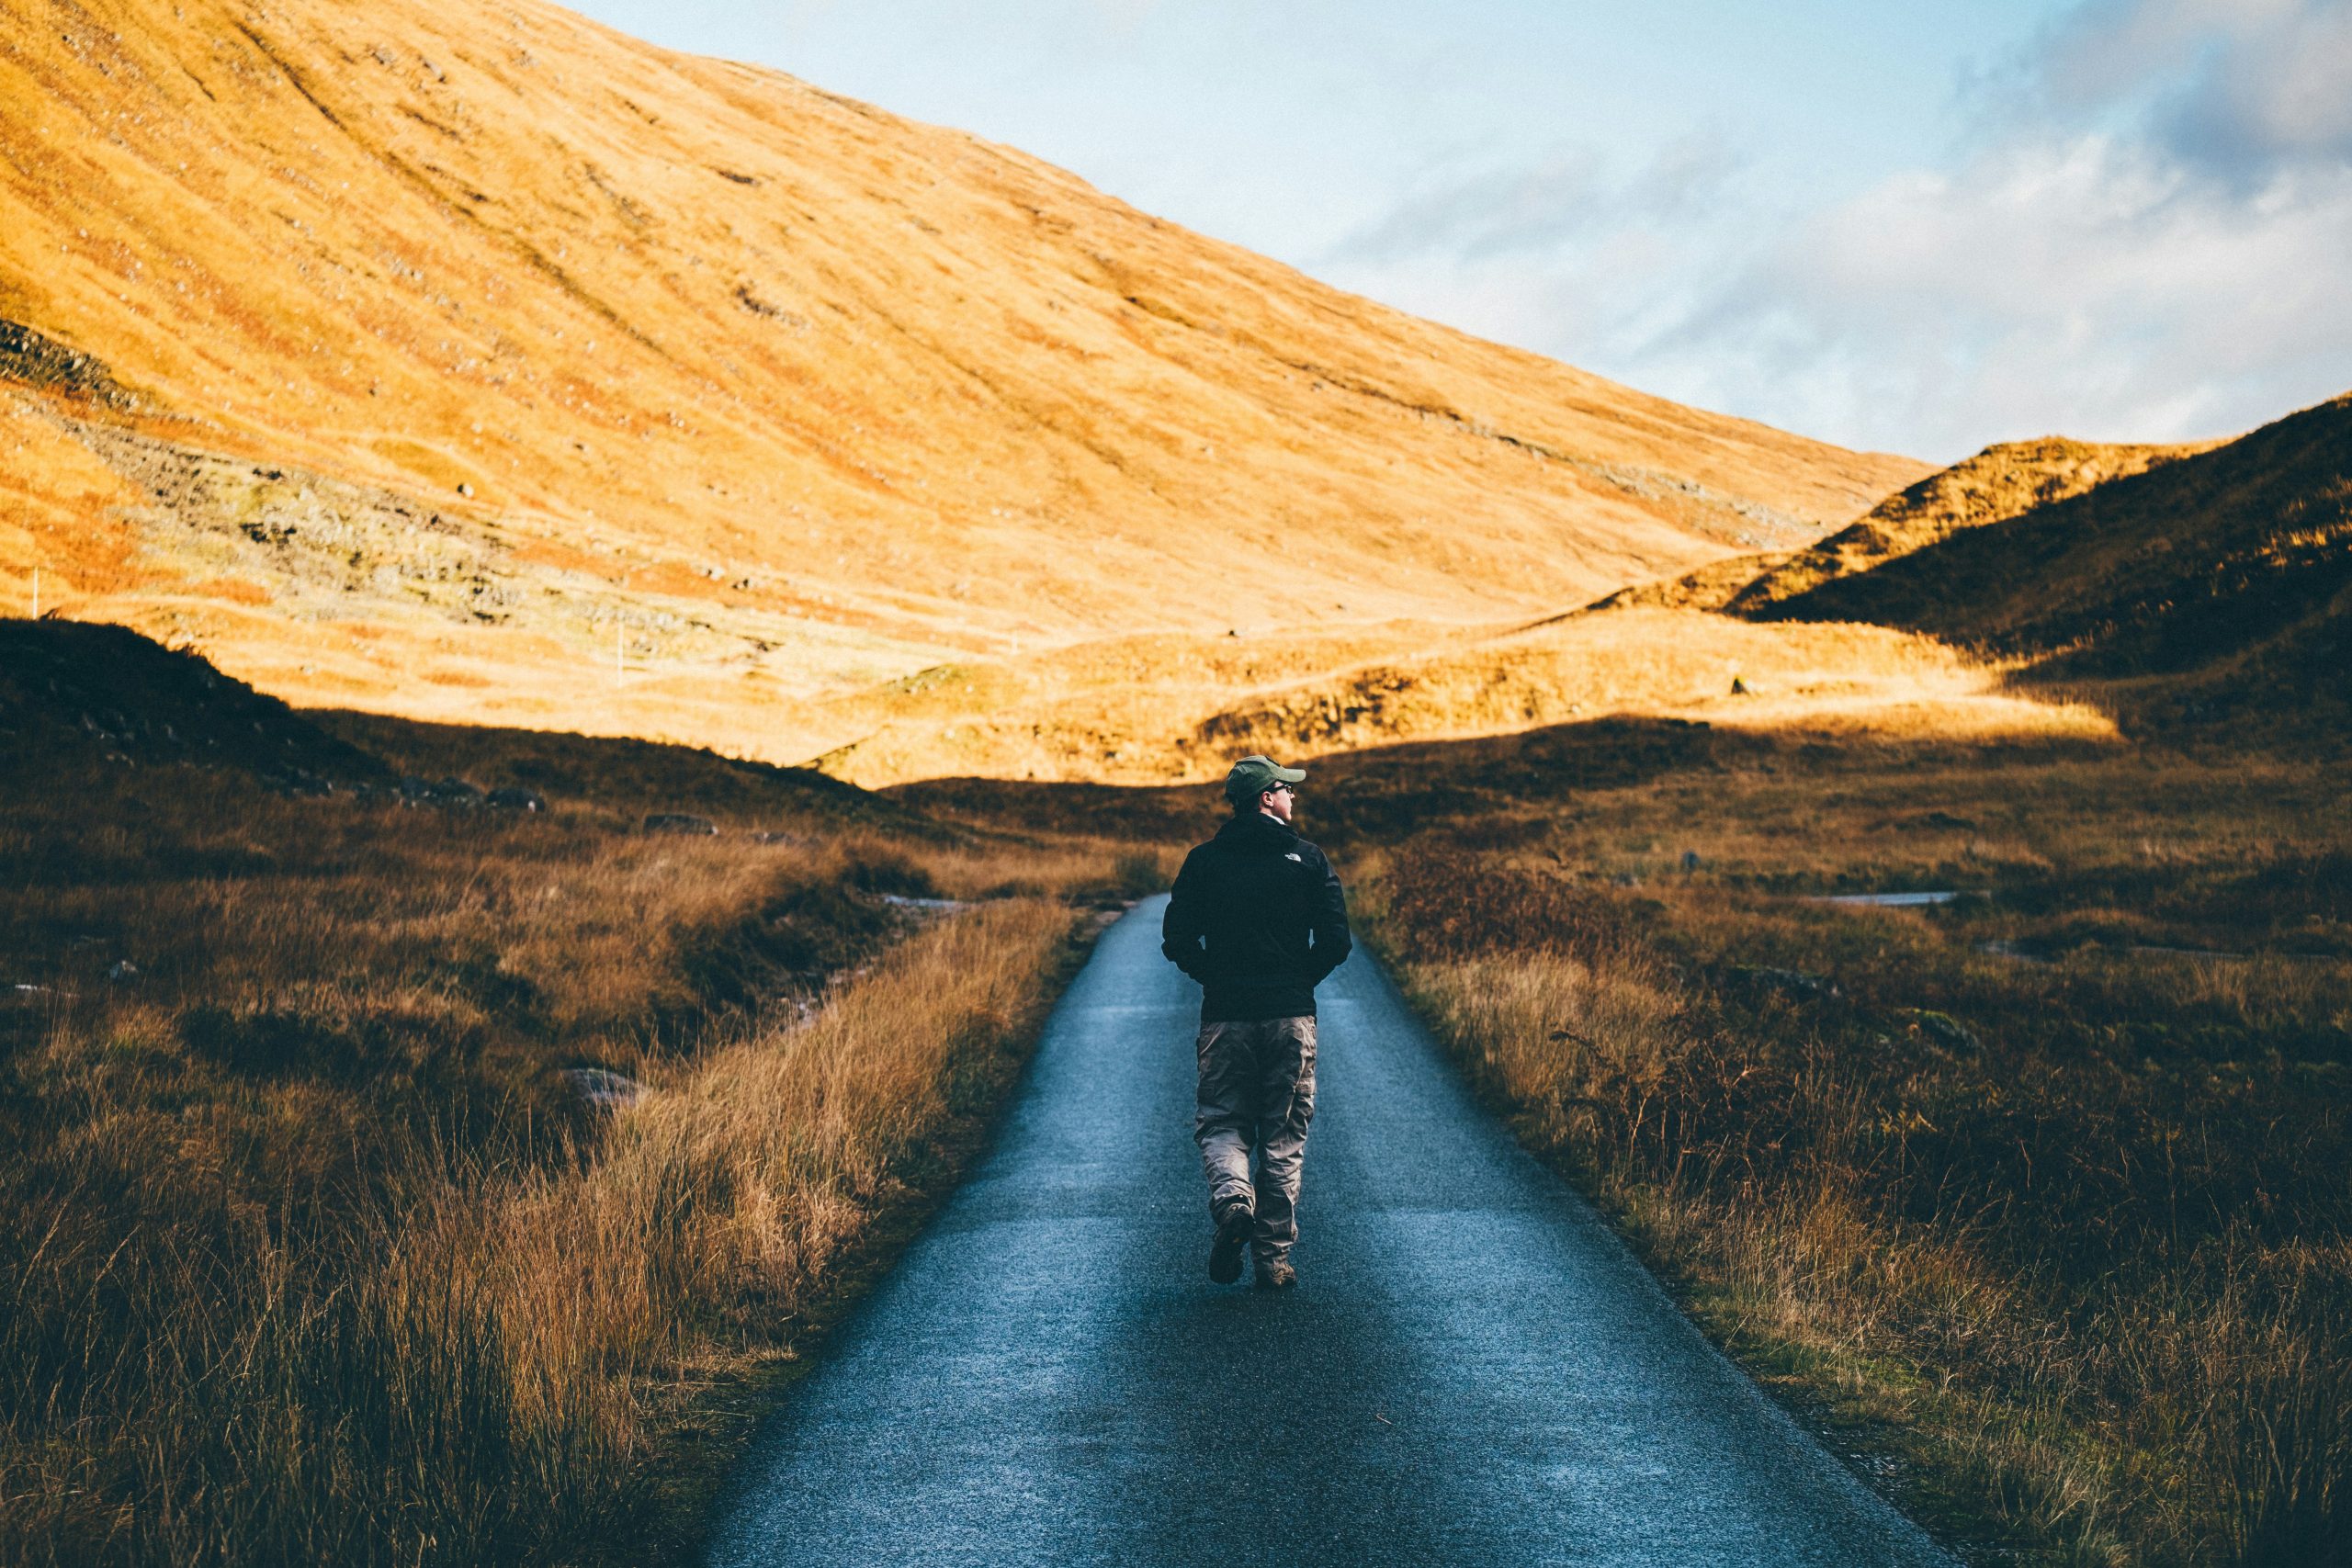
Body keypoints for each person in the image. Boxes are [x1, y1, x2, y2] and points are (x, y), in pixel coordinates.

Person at [1160, 753, 1351, 1289]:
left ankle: (1232, 1201)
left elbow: (1175, 940)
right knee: (1284, 1135)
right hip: (1291, 1015)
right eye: (1287, 790)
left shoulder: (1203, 861)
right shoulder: (1309, 858)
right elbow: (1337, 941)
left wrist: (1215, 977)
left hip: (1226, 1015)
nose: (1295, 796)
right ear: (1266, 797)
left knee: (1223, 1122)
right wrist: (1298, 982)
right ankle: (1272, 1262)